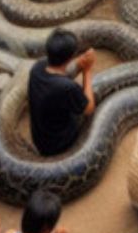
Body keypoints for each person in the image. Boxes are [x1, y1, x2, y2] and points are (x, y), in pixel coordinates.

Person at [27, 29, 96, 157]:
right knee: (91, 101)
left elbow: (61, 72)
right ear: (70, 57)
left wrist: (79, 64)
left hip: (40, 140)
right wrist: (87, 70)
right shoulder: (67, 87)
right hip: (58, 146)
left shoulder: (37, 68)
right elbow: (89, 109)